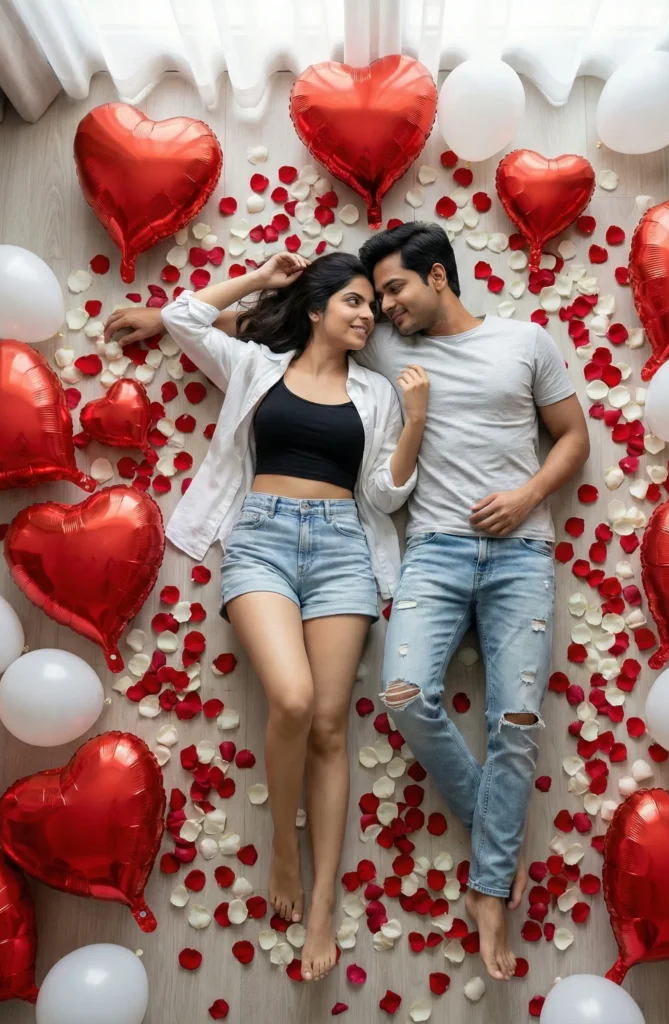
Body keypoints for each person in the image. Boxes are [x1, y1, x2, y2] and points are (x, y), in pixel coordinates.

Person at [104, 252, 429, 983]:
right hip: (261, 542)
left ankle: (321, 907)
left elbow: (383, 497)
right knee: (291, 698)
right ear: (315, 310)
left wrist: (413, 423)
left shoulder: (377, 393)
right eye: (352, 301)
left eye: (371, 305)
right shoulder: (255, 367)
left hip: (345, 546)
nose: (367, 314)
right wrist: (261, 280)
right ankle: (285, 845)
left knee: (326, 723)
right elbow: (186, 317)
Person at [355, 222, 590, 982]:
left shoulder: (526, 340)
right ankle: (497, 834)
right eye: (378, 296)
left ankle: (489, 890)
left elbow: (572, 438)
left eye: (394, 289)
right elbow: (296, 325)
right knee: (403, 695)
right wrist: (173, 318)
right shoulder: (388, 346)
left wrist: (526, 496)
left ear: (438, 276)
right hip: (434, 551)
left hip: (521, 553)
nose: (385, 307)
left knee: (515, 723)